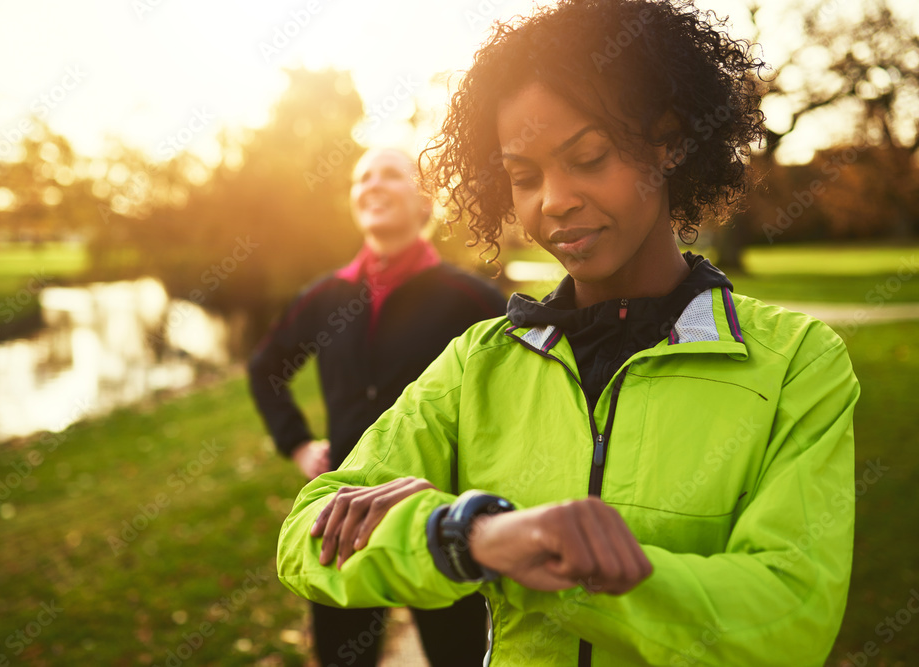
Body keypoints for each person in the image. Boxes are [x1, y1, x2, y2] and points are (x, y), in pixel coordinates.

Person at [276, 1, 860, 666]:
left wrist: (533, 557)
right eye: (523, 176)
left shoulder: (795, 362)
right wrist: (468, 533)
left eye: (587, 155)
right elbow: (306, 535)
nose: (551, 199)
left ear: (668, 142)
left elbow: (789, 614)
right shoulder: (477, 364)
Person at [249, 147, 506, 665]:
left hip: (443, 511)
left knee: (456, 654)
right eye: (362, 177)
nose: (373, 184)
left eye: (391, 174)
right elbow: (264, 369)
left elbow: (517, 388)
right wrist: (298, 445)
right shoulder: (325, 296)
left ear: (424, 203)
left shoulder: (470, 298)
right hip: (345, 511)